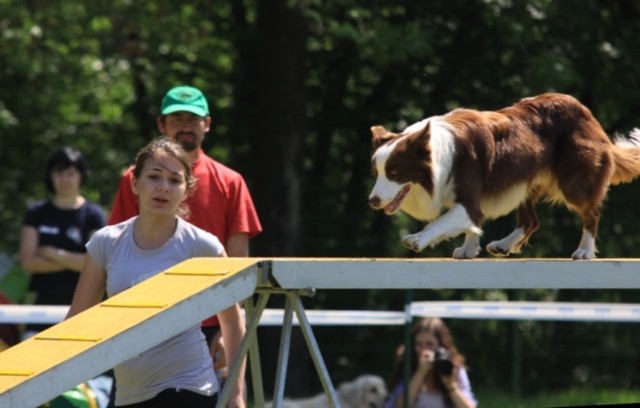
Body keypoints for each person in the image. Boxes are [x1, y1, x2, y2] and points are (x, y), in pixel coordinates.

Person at [67, 138, 247, 407]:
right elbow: (76, 323)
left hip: (189, 387)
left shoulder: (203, 245)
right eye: (154, 177)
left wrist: (235, 394)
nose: (164, 187)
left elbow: (233, 322)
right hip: (129, 392)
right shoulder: (106, 243)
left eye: (175, 180)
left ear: (186, 191)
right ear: (134, 184)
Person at [108, 85, 262, 372]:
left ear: (207, 124)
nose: (185, 127)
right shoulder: (132, 179)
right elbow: (117, 252)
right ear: (161, 124)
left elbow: (240, 266)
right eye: (176, 119)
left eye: (192, 119)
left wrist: (231, 331)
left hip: (210, 325)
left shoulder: (230, 182)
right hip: (143, 321)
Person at [19, 146, 106, 339]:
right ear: (50, 176)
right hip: (39, 308)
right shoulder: (36, 213)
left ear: (81, 176)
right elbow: (28, 262)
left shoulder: (94, 215)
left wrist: (53, 254)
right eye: (59, 173)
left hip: (82, 307)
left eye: (70, 173)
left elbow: (95, 263)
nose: (64, 180)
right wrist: (75, 262)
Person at [385, 318, 477, 408]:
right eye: (419, 344)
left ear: (441, 345)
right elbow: (399, 405)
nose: (424, 350)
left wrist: (450, 385)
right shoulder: (408, 366)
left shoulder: (454, 368)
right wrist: (420, 373)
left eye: (429, 344)